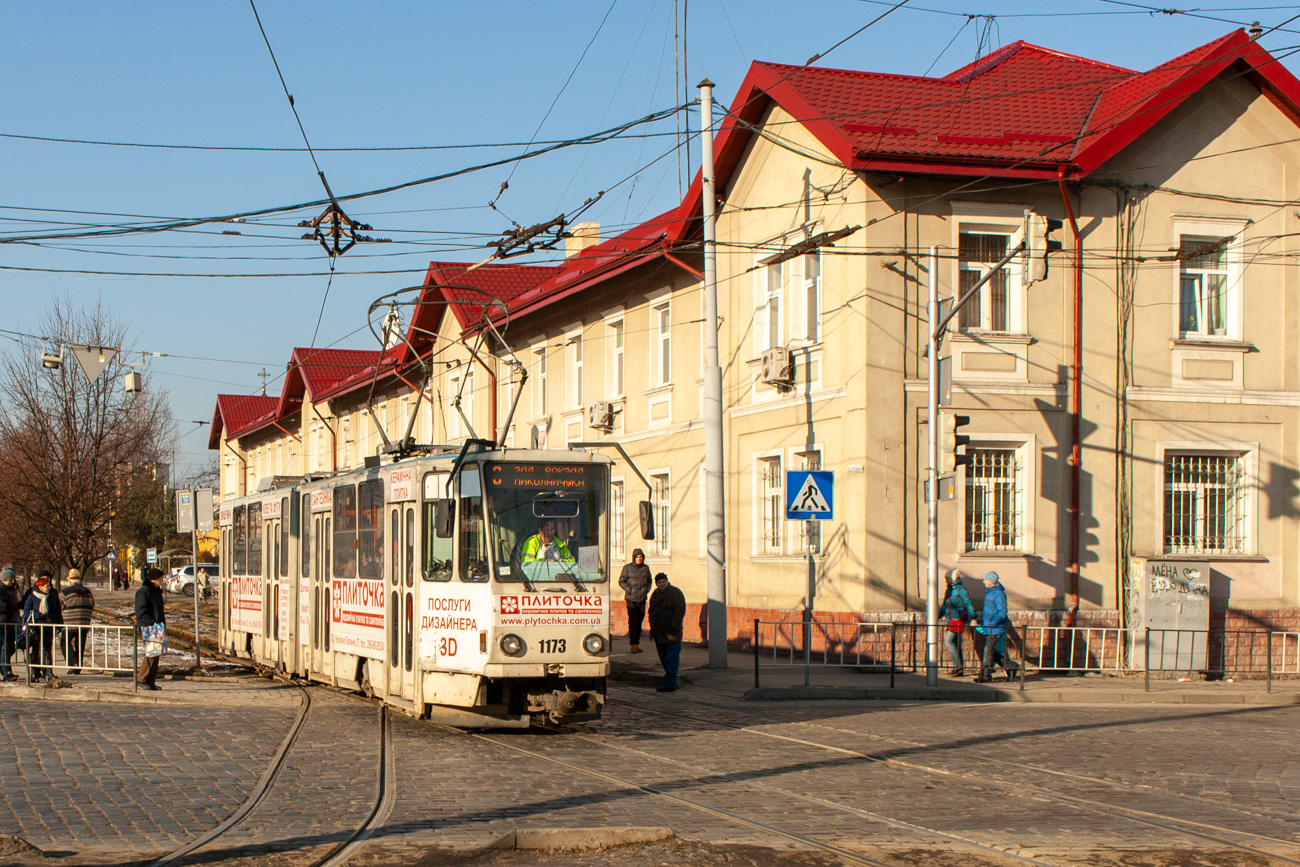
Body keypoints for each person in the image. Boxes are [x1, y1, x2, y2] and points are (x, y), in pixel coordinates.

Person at [974, 571, 1020, 683]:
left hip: (995, 628)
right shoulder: (990, 593)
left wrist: (993, 623)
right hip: (990, 627)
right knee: (991, 652)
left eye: (985, 579)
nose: (983, 581)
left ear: (991, 581)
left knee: (988, 651)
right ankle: (1011, 667)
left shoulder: (998, 594)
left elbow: (1002, 612)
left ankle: (986, 676)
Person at [647, 572, 685, 693]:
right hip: (659, 632)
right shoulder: (655, 594)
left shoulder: (675, 592)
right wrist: (652, 626)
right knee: (663, 658)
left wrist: (674, 624)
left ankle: (670, 683)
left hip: (672, 632)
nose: (662, 584)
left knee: (671, 657)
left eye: (664, 582)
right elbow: (651, 610)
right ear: (656, 584)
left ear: (667, 581)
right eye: (659, 583)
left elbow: (680, 609)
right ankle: (668, 679)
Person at [21, 571, 62, 682]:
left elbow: (56, 610)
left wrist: (56, 621)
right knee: (35, 649)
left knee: (47, 649)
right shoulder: (32, 596)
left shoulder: (51, 596)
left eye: (49, 585)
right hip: (35, 627)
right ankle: (34, 672)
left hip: (48, 627)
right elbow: (26, 613)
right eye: (46, 585)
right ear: (40, 586)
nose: (49, 587)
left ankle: (48, 672)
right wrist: (39, 615)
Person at [938, 569, 976, 677]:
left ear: (952, 578)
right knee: (955, 644)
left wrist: (973, 617)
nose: (946, 581)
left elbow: (968, 604)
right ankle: (959, 668)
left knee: (948, 641)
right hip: (951, 620)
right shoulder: (949, 590)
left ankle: (958, 666)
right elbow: (945, 605)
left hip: (958, 620)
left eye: (948, 579)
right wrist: (938, 615)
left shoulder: (960, 590)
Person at [135, 568, 166, 690]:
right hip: (150, 626)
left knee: (156, 653)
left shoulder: (156, 591)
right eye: (160, 578)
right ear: (154, 579)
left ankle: (151, 680)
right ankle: (142, 679)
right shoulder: (144, 591)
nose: (162, 580)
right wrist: (151, 623)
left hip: (157, 626)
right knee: (151, 653)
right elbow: (141, 611)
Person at [60, 568, 94, 675]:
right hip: (84, 622)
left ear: (70, 581)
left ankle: (73, 663)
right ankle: (78, 666)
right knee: (80, 644)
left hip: (70, 622)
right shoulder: (88, 591)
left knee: (64, 642)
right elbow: (92, 605)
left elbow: (60, 606)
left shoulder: (65, 592)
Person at [618, 549, 651, 653]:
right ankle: (633, 644)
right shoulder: (627, 568)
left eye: (641, 557)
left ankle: (636, 643)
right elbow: (621, 581)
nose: (639, 559)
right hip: (631, 598)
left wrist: (646, 590)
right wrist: (629, 590)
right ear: (634, 558)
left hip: (642, 598)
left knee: (640, 620)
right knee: (633, 621)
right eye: (637, 557)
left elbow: (649, 581)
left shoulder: (645, 568)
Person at [0, 568, 19, 681]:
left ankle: (6, 671)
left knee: (7, 648)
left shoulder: (9, 591)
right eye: (11, 579)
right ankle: (6, 672)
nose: (13, 582)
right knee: (3, 648)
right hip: (1, 623)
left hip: (6, 624)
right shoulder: (2, 591)